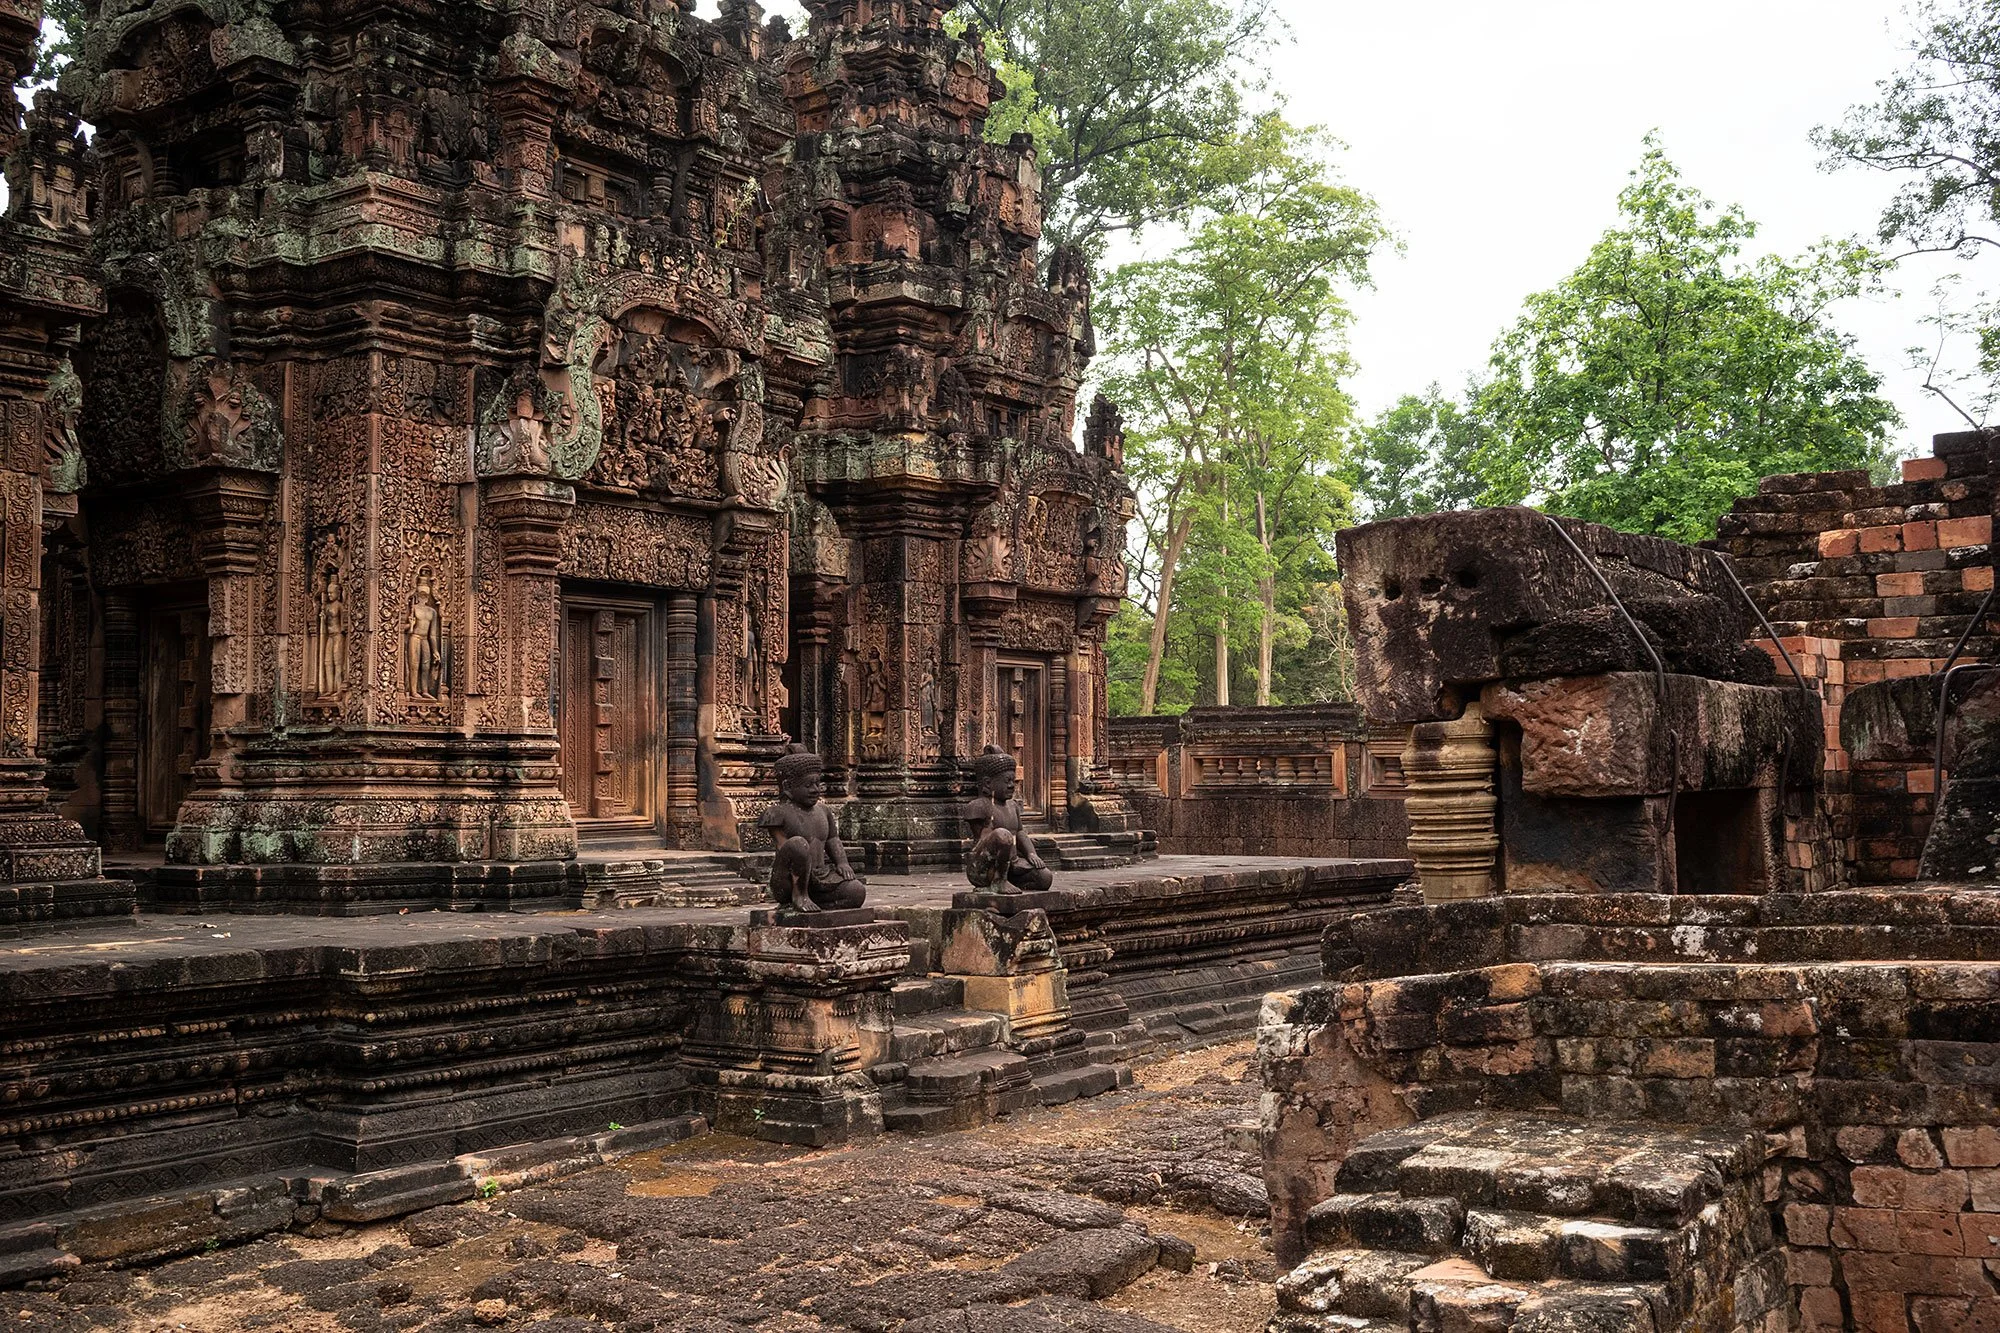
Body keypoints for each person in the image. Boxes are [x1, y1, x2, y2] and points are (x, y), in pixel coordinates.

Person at [761, 745, 867, 915]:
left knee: (856, 891)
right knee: (797, 844)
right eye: (808, 785)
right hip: (789, 880)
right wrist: (800, 882)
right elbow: (785, 848)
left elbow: (833, 839)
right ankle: (799, 896)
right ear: (788, 786)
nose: (815, 790)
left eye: (818, 783)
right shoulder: (777, 813)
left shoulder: (823, 811)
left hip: (821, 877)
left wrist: (842, 862)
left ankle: (820, 907)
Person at [962, 745, 1052, 893]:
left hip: (1012, 865)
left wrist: (1031, 853)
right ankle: (999, 881)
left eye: (1013, 781)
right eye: (1006, 781)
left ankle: (1008, 880)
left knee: (1045, 878)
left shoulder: (1013, 806)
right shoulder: (978, 806)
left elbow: (1020, 832)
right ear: (987, 783)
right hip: (984, 868)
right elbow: (984, 841)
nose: (1012, 786)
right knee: (1002, 834)